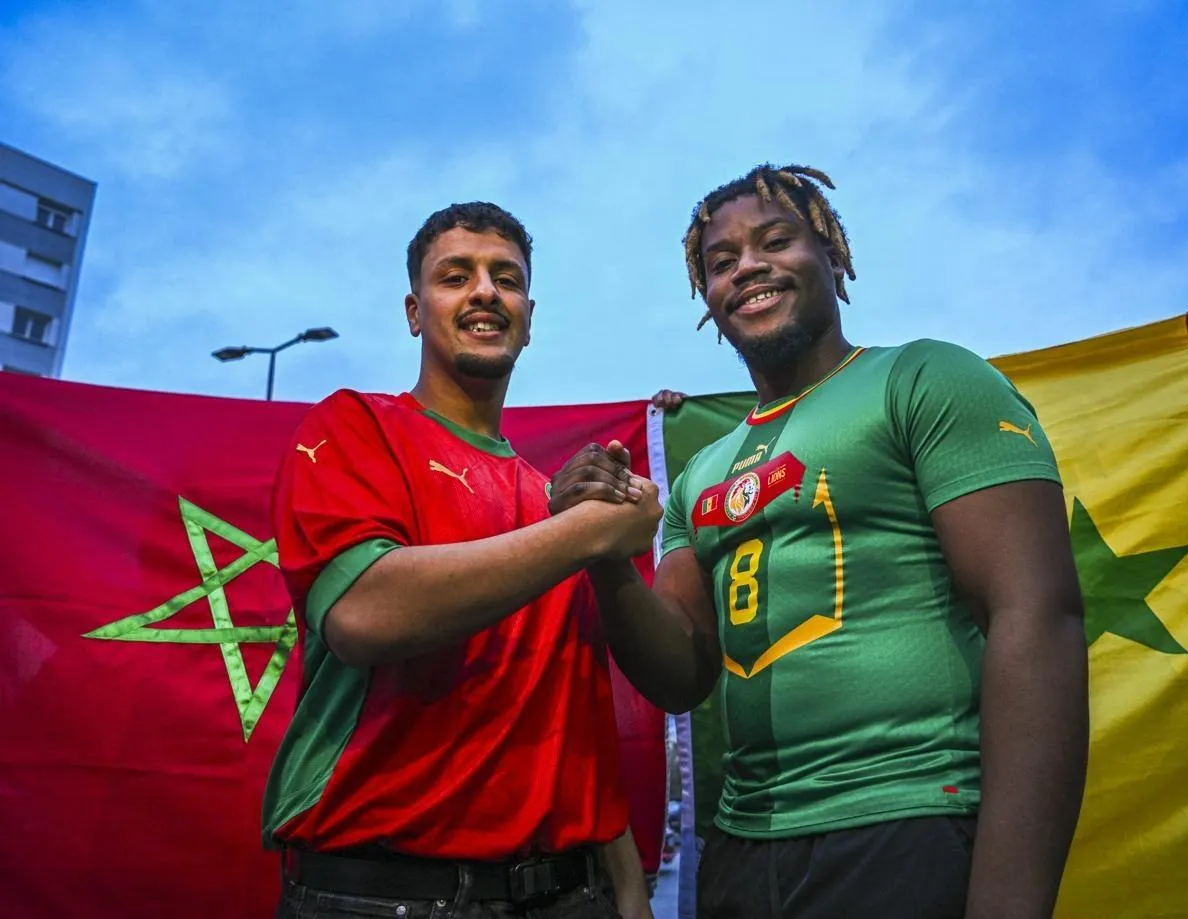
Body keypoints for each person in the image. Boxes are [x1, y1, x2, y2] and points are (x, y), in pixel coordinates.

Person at [550, 165, 1089, 918]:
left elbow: (1036, 616)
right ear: (707, 298)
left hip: (910, 816)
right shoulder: (701, 472)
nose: (748, 267)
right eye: (721, 261)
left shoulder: (925, 378)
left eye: (775, 241)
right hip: (742, 849)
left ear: (833, 256)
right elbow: (681, 677)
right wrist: (605, 556)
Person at [264, 201, 660, 919]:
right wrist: (590, 531)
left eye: (507, 279)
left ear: (529, 318)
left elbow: (575, 717)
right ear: (414, 312)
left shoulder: (554, 507)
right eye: (455, 276)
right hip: (380, 895)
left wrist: (627, 885)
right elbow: (363, 616)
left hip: (568, 892)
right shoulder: (354, 426)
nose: (485, 291)